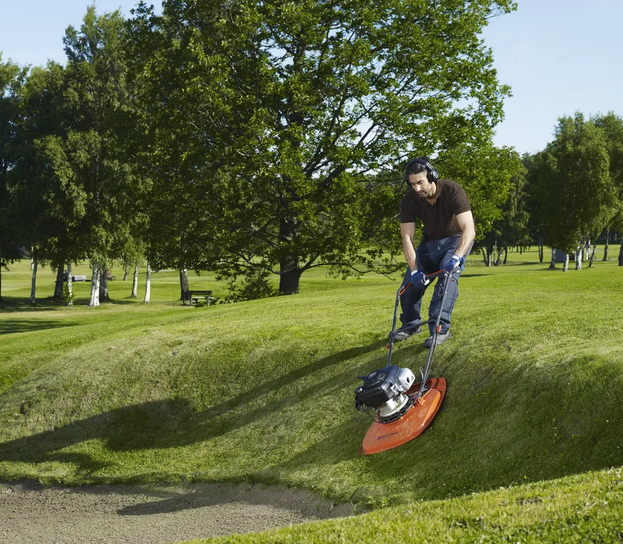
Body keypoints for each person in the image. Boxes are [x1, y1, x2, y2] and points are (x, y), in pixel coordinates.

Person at [394, 157, 476, 347]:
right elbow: (407, 237)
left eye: (420, 183)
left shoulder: (452, 191)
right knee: (408, 287)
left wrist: (456, 257)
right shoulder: (409, 200)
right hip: (430, 243)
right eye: (412, 184)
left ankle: (439, 329)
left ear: (432, 176)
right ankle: (411, 325)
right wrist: (414, 270)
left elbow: (469, 230)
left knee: (447, 279)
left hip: (456, 239)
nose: (416, 189)